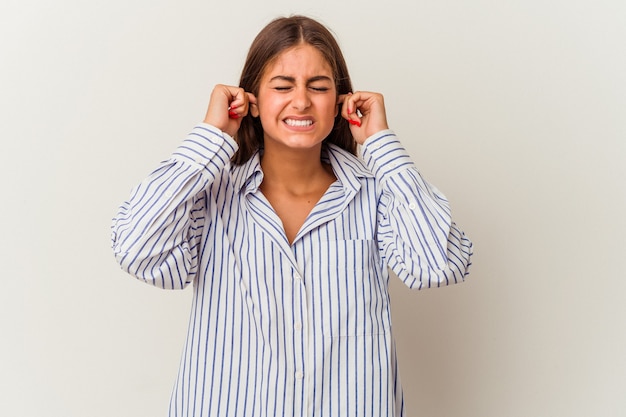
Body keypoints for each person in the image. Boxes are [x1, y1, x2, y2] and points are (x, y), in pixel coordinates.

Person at [111, 15, 472, 417]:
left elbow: (438, 265)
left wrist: (381, 146)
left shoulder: (377, 197)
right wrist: (212, 137)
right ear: (252, 99)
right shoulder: (210, 196)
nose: (301, 101)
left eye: (317, 87)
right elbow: (135, 249)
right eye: (283, 86)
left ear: (339, 102)